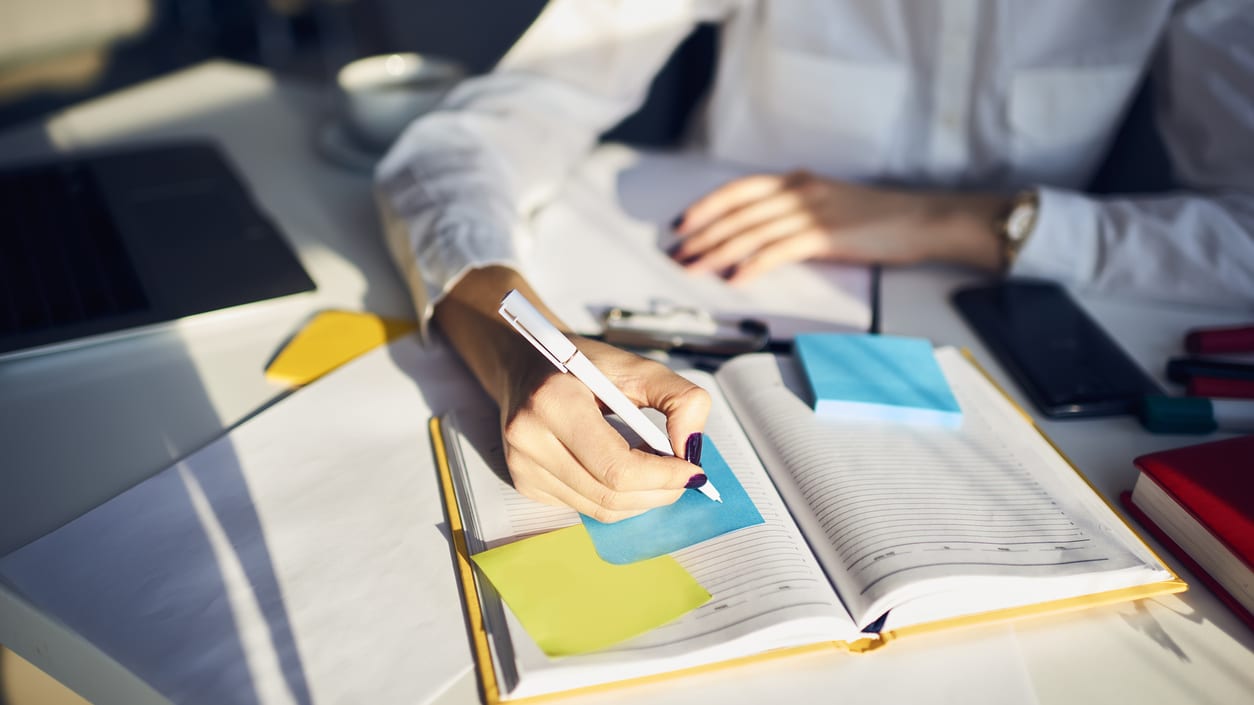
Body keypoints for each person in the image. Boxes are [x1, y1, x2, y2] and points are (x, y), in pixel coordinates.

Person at [375, 0, 1254, 521]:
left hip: (1026, 391)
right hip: (702, 305)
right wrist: (514, 339)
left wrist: (977, 222)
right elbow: (463, 143)